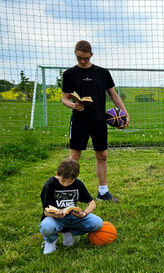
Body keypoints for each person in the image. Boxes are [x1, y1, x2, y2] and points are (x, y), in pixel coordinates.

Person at [61, 40, 129, 202]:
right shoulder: (69, 74)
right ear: (75, 54)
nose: (82, 61)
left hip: (99, 120)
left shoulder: (102, 73)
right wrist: (73, 105)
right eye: (79, 58)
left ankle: (103, 192)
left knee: (103, 155)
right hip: (79, 120)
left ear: (91, 54)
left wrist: (125, 113)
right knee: (74, 156)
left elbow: (113, 94)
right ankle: (66, 190)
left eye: (85, 58)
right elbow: (64, 98)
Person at [39, 159, 103, 255]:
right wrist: (56, 215)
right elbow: (46, 211)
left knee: (97, 222)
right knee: (46, 226)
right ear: (57, 174)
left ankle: (69, 231)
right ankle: (50, 242)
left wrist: (83, 213)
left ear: (75, 177)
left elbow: (92, 203)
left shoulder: (78, 184)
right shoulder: (50, 184)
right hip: (55, 218)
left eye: (69, 182)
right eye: (63, 181)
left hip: (73, 217)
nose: (66, 184)